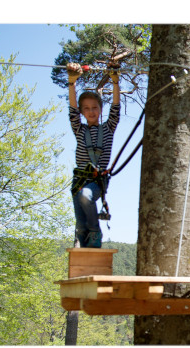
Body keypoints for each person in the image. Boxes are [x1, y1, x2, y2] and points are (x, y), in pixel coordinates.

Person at [66, 62, 120, 248]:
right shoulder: (79, 130)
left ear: (100, 110)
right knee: (80, 225)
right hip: (79, 179)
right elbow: (72, 111)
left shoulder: (108, 129)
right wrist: (72, 83)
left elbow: (115, 109)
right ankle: (84, 249)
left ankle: (95, 232)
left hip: (97, 181)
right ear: (82, 112)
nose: (91, 111)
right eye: (86, 108)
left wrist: (115, 82)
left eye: (95, 108)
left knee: (86, 196)